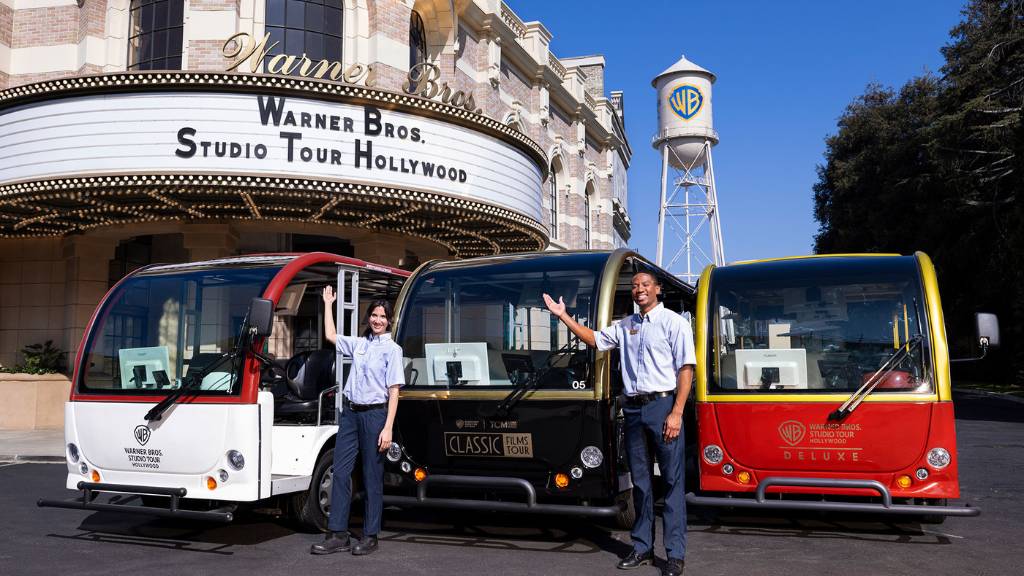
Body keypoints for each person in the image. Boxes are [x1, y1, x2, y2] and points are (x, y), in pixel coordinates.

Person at [544, 272, 694, 576]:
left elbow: (686, 368)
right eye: (636, 286)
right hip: (634, 411)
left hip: (664, 407)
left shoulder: (674, 323)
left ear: (657, 289)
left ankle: (675, 555)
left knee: (672, 483)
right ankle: (642, 548)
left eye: (645, 285)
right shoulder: (626, 326)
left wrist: (677, 411)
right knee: (640, 484)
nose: (639, 289)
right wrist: (563, 316)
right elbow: (595, 339)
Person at [311, 287, 404, 556]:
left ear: (389, 320)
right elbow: (330, 335)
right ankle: (338, 534)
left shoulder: (393, 350)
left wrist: (387, 427)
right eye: (374, 315)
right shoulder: (360, 344)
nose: (377, 320)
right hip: (350, 414)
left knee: (372, 476)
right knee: (340, 472)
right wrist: (328, 304)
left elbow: (394, 391)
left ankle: (370, 535)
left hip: (375, 415)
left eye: (382, 316)